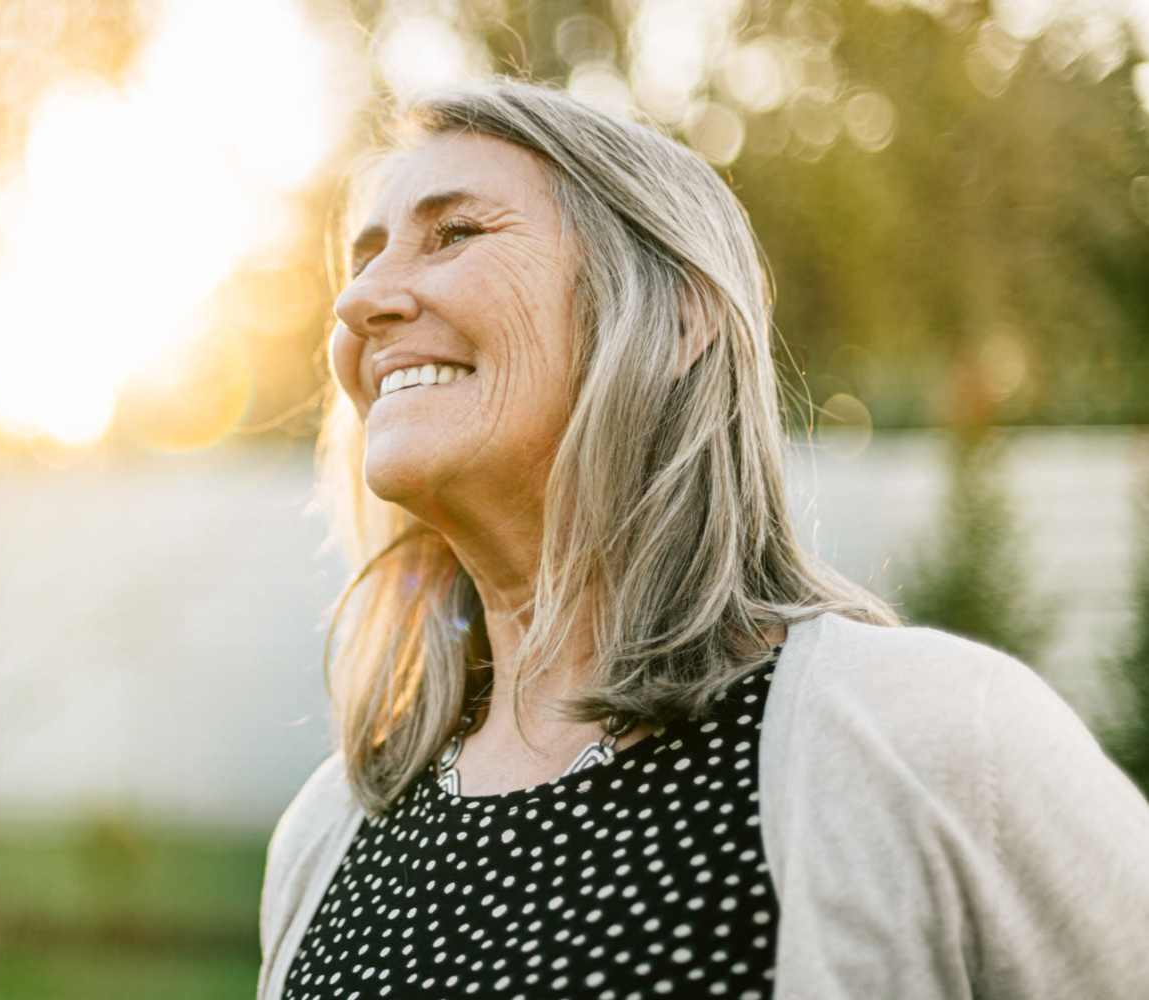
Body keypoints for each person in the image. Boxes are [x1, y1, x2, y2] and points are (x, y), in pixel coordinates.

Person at [257, 79, 1149, 1000]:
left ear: (677, 315)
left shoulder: (927, 738)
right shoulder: (329, 831)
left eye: (455, 233)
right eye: (363, 259)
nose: (360, 301)